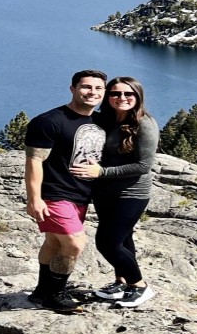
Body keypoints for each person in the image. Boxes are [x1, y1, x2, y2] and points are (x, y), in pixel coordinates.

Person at [70, 76, 159, 308]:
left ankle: (139, 285)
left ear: (138, 97)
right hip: (104, 192)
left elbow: (143, 166)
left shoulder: (145, 124)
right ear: (107, 97)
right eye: (115, 94)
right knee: (123, 238)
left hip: (131, 193)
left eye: (128, 94)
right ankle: (121, 281)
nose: (122, 98)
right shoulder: (105, 120)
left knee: (107, 243)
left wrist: (101, 173)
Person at [24, 69, 107, 312]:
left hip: (82, 194)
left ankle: (41, 292)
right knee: (74, 244)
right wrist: (34, 198)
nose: (92, 92)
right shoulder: (49, 121)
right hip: (54, 193)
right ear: (73, 89)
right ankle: (56, 293)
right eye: (86, 87)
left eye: (98, 88)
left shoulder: (100, 121)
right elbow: (34, 161)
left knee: (53, 242)